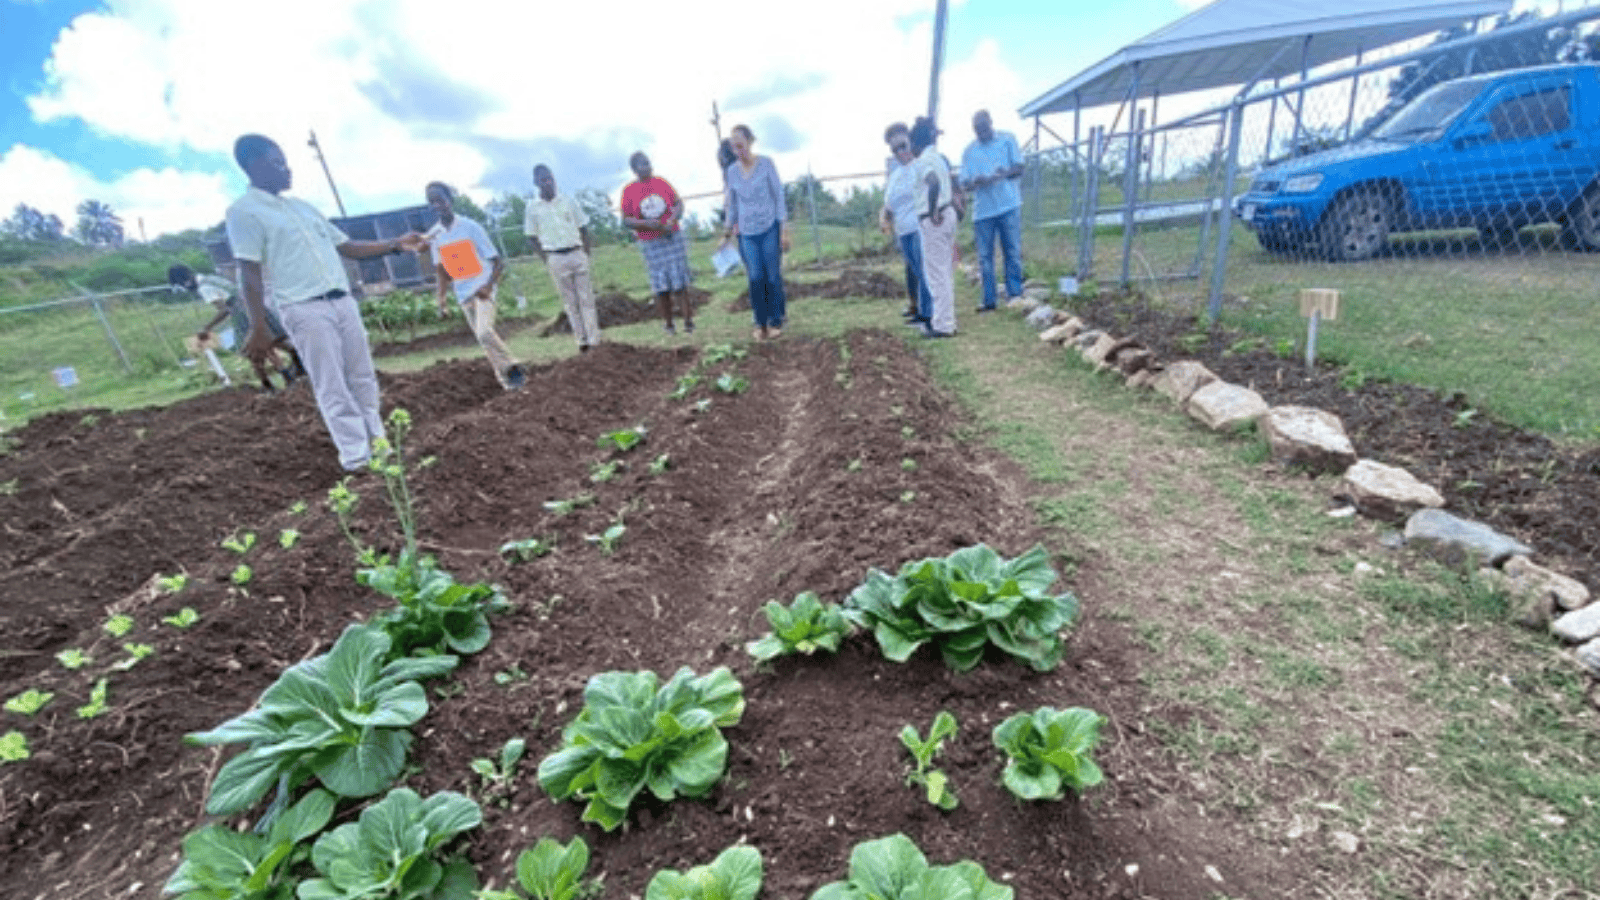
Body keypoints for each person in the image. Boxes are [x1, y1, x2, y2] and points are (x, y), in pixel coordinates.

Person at [224, 134, 425, 471]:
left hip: (341, 300)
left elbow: (347, 247)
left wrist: (395, 244)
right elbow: (250, 273)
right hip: (304, 307)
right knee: (331, 382)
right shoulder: (244, 213)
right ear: (255, 165)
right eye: (278, 162)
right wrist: (258, 326)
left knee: (362, 376)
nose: (287, 169)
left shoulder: (302, 207)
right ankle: (356, 457)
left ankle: (380, 447)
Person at [423, 182, 525, 389]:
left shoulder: (471, 227)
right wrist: (441, 300)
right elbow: (442, 273)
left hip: (482, 289)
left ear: (450, 201)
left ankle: (513, 366)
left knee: (484, 333)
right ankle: (509, 385)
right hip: (463, 294)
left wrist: (488, 286)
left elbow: (497, 262)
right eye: (432, 202)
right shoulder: (435, 236)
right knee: (485, 342)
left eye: (440, 200)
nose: (437, 205)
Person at [169, 263, 303, 391]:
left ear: (184, 281)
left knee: (255, 351)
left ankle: (271, 384)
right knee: (275, 342)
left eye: (182, 285)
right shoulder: (212, 279)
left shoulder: (205, 288)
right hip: (255, 308)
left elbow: (225, 310)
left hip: (243, 316)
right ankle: (295, 370)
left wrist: (207, 327)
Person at [721, 124, 790, 341]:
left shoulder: (766, 164)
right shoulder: (732, 172)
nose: (738, 151)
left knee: (772, 275)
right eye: (734, 148)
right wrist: (726, 233)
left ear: (750, 142)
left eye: (741, 146)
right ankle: (760, 322)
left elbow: (778, 196)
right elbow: (732, 204)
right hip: (747, 233)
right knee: (755, 276)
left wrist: (784, 230)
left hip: (769, 227)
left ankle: (776, 320)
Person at [523, 164, 600, 352]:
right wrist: (546, 258)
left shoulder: (568, 201)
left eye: (550, 178)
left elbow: (583, 227)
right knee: (570, 302)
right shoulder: (533, 208)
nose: (548, 183)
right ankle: (581, 341)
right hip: (555, 256)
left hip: (576, 251)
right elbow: (531, 237)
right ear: (536, 183)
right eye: (543, 180)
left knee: (586, 299)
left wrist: (585, 253)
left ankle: (594, 340)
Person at [620, 151, 695, 335]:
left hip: (671, 237)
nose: (647, 167)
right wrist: (646, 224)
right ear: (634, 169)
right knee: (661, 287)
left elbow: (678, 204)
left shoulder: (661, 183)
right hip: (651, 243)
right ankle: (669, 325)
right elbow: (626, 220)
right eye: (642, 165)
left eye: (648, 163)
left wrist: (673, 219)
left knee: (680, 283)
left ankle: (688, 322)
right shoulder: (629, 191)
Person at [960, 109, 1026, 312]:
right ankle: (989, 300)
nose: (982, 133)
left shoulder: (1007, 140)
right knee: (985, 257)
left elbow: (1019, 167)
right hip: (983, 212)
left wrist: (1002, 174)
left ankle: (1014, 294)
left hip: (1008, 205)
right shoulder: (969, 151)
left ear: (991, 123)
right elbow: (965, 183)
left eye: (984, 128)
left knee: (1012, 251)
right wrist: (975, 181)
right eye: (978, 130)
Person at [880, 122, 934, 328]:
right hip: (903, 231)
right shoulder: (895, 175)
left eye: (903, 146)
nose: (900, 152)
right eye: (895, 150)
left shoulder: (921, 166)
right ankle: (921, 311)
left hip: (920, 227)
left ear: (910, 141)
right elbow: (888, 205)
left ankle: (929, 314)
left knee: (924, 271)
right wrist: (885, 219)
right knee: (916, 271)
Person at [910, 116, 957, 338]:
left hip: (934, 219)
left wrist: (932, 209)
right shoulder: (939, 157)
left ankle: (943, 325)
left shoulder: (923, 161)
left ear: (915, 145)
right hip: (947, 215)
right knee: (944, 272)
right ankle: (946, 321)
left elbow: (933, 182)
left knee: (936, 274)